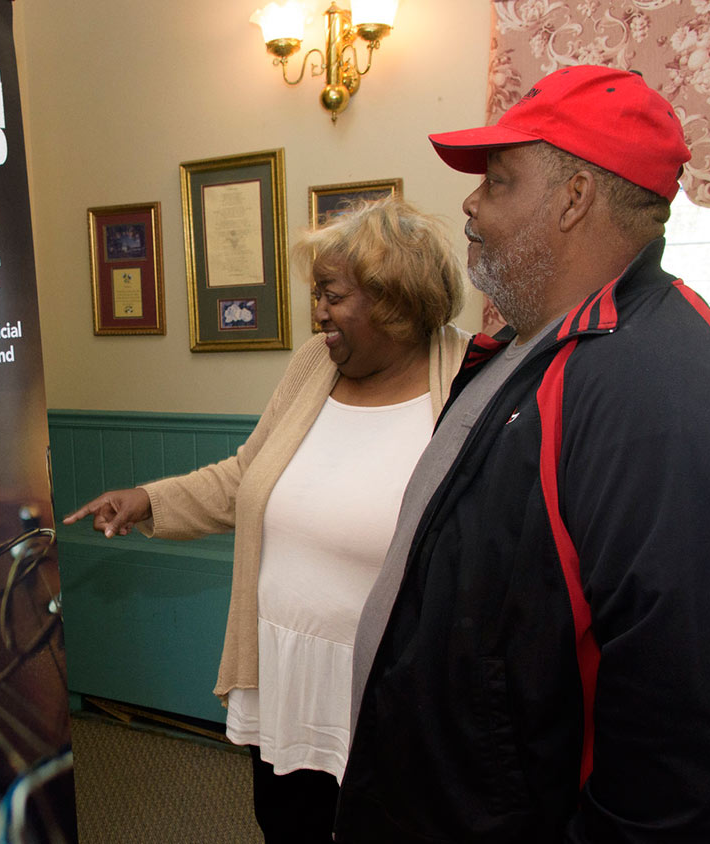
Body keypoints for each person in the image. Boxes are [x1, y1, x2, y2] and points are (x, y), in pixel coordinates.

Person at [335, 65, 710, 842]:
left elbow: (688, 745)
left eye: (499, 180)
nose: (471, 201)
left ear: (574, 196)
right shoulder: (538, 349)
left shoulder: (664, 399)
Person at [64, 197, 469, 844]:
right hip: (286, 677)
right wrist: (150, 500)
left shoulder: (468, 386)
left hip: (385, 696)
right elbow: (248, 475)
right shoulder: (314, 366)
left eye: (331, 295)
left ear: (391, 299)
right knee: (287, 827)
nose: (317, 314)